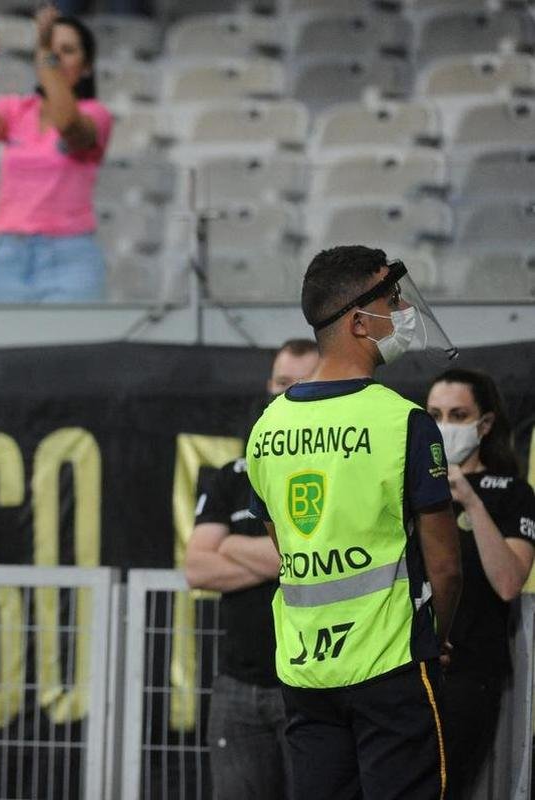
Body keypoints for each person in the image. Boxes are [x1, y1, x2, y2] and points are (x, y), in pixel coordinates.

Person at [244, 245, 463, 800]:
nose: (403, 312)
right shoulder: (403, 422)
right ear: (360, 322)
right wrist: (434, 635)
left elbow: (285, 544)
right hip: (391, 668)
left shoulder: (267, 428)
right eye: (393, 300)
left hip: (305, 672)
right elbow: (446, 566)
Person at [185, 338, 319, 800]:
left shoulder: (333, 470)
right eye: (283, 383)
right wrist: (284, 560)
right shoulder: (234, 475)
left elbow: (316, 566)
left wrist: (235, 545)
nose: (289, 394)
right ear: (269, 386)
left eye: (302, 384)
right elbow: (198, 567)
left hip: (311, 683)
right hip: (238, 687)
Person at [425, 368, 535, 797]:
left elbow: (509, 582)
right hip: (406, 669)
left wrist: (469, 497)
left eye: (457, 415)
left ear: (484, 424)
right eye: (434, 414)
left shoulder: (511, 492)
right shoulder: (411, 488)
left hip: (470, 674)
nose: (444, 426)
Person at [0, 4, 112, 303]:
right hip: (9, 255)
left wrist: (44, 53)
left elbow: (68, 124)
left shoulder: (95, 114)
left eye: (66, 51)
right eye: (50, 50)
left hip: (70, 257)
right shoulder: (17, 109)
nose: (56, 59)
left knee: (73, 350)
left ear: (87, 66)